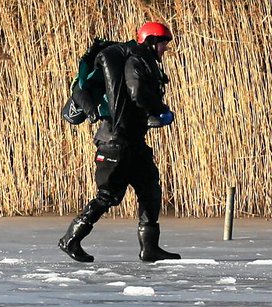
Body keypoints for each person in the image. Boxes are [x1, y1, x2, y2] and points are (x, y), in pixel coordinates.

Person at [58, 21, 181, 263]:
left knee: (150, 191)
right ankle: (71, 239)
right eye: (164, 42)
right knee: (108, 196)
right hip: (115, 141)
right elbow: (136, 92)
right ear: (151, 41)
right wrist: (160, 109)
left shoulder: (140, 60)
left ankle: (150, 249)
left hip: (133, 141)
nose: (166, 48)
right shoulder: (137, 60)